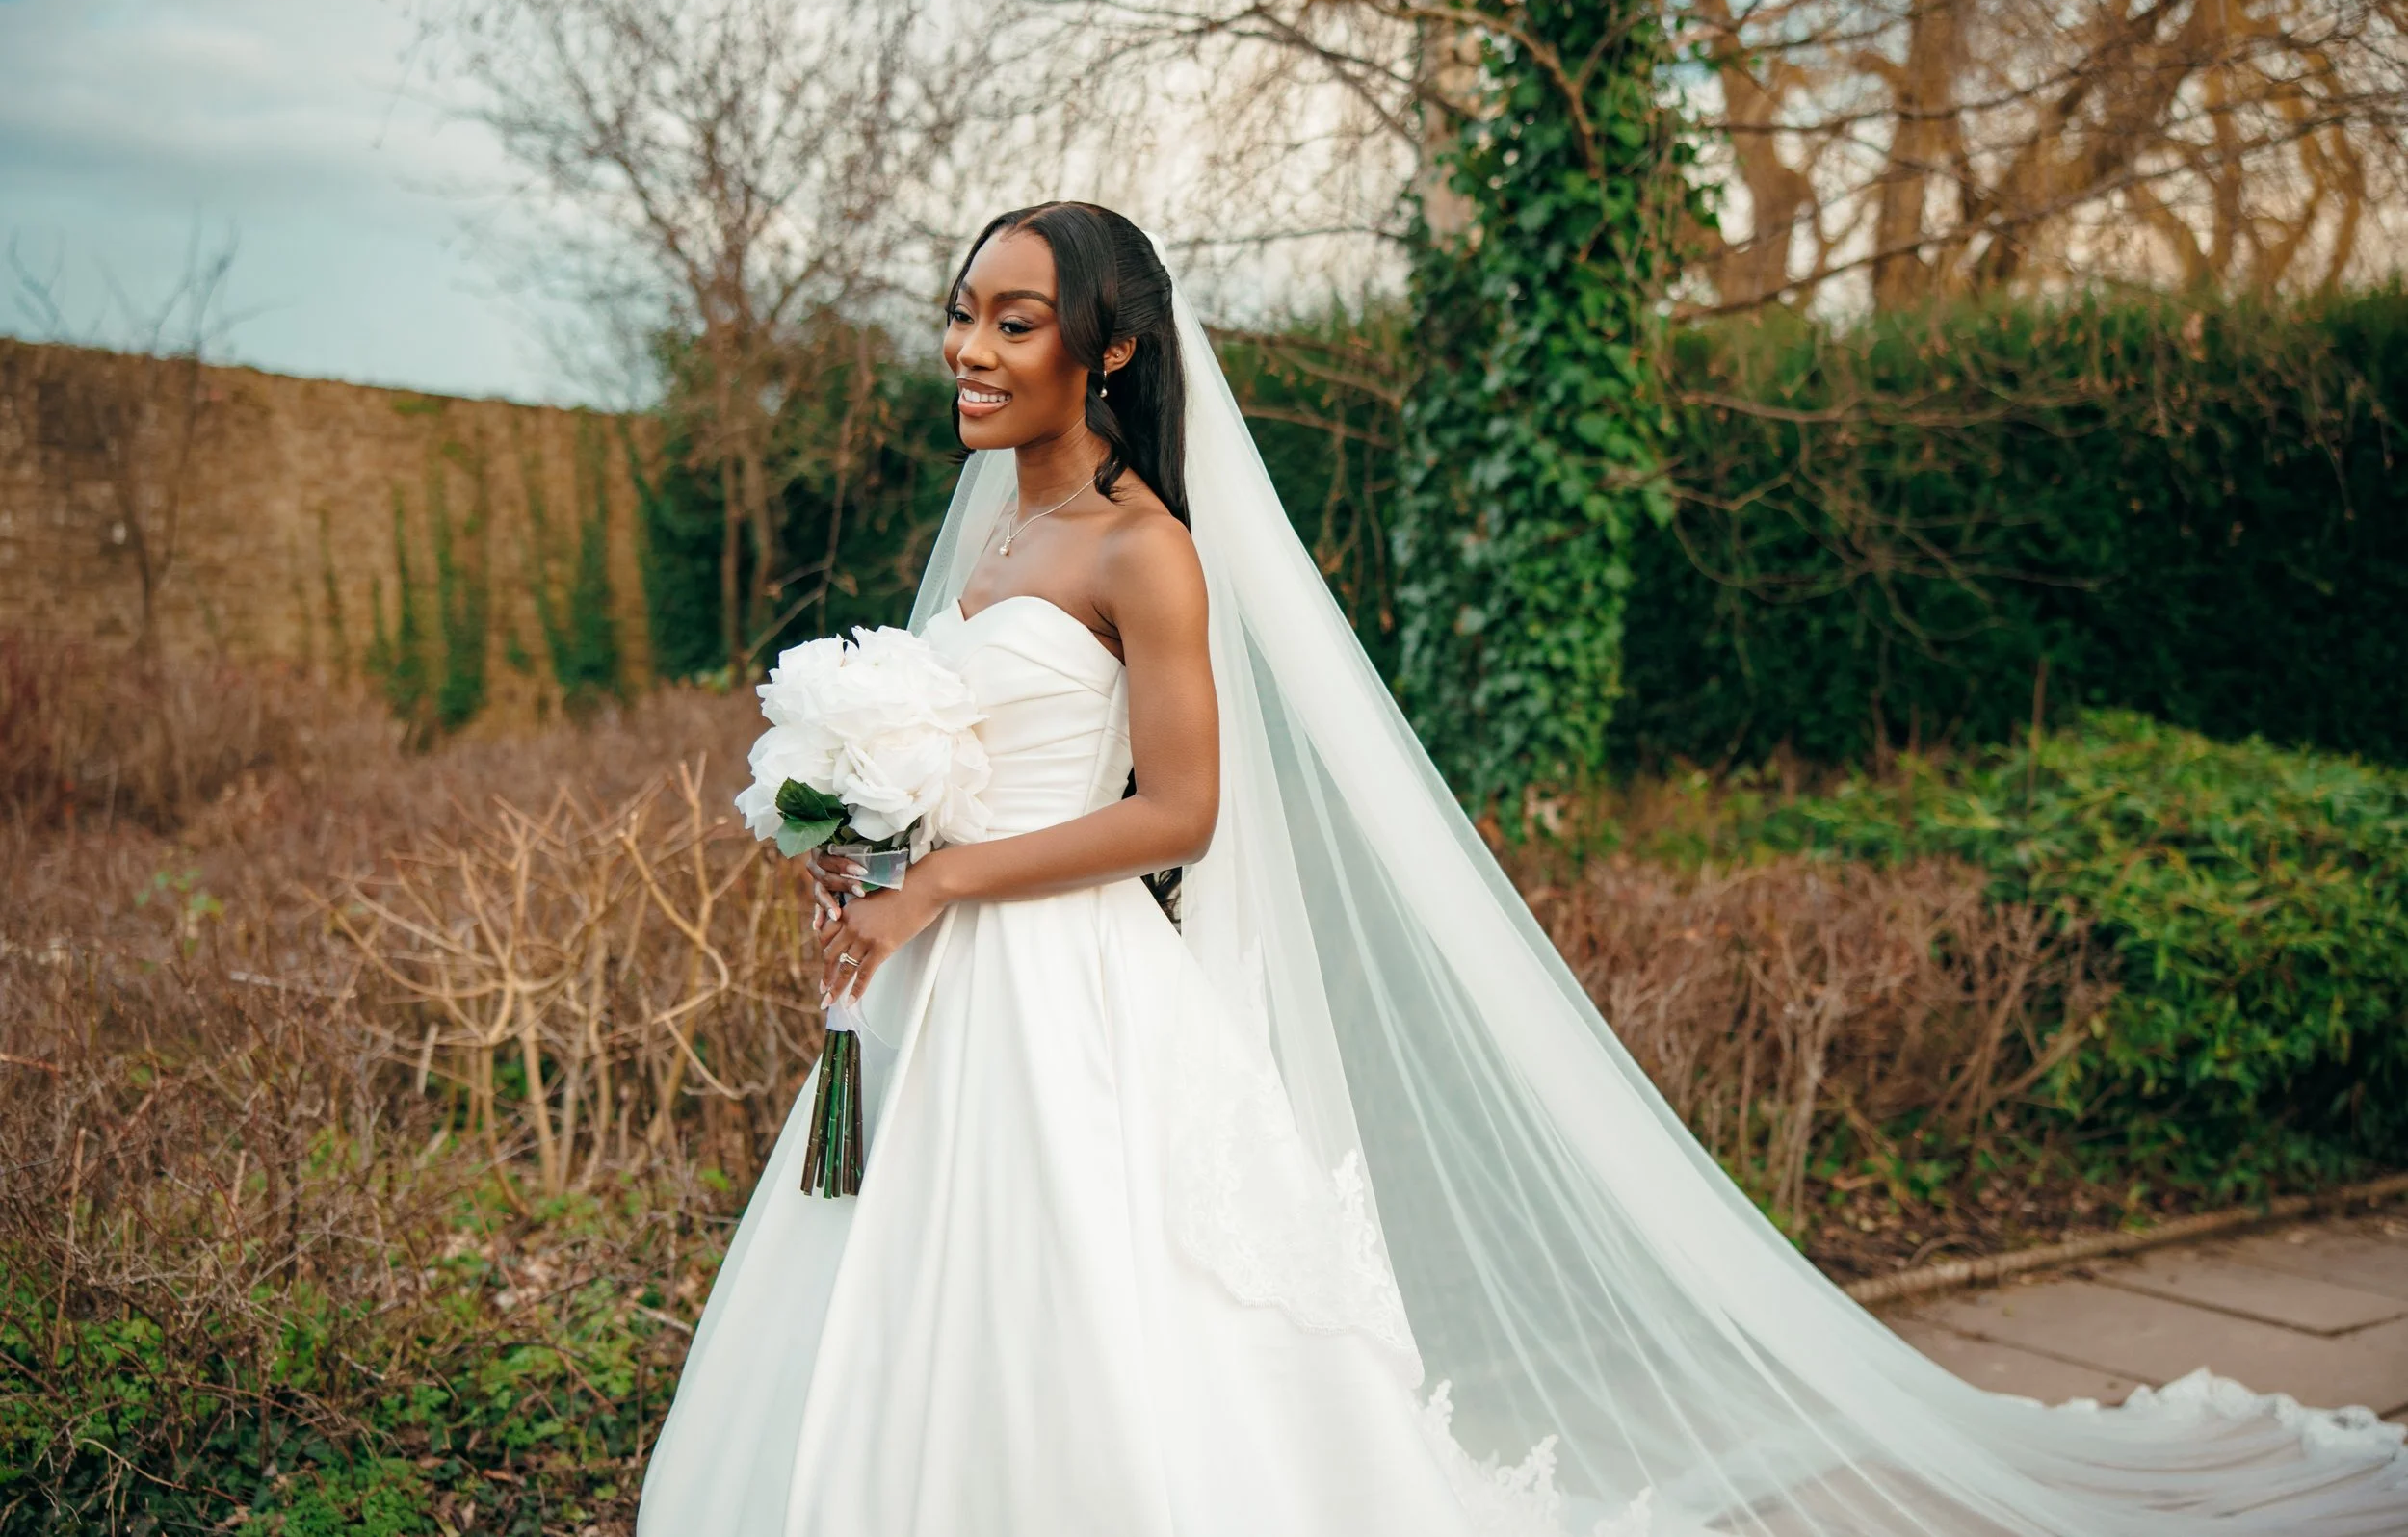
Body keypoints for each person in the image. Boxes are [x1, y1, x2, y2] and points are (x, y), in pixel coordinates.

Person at [638, 202, 2408, 1536]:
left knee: (1106, 1308)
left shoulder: (1142, 549)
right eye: (961, 311)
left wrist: (951, 881)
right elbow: (975, 756)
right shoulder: (997, 529)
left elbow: (1181, 812)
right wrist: (875, 839)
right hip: (936, 994)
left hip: (1063, 990)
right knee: (904, 1291)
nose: (969, 342)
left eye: (1011, 319)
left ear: (1103, 350)